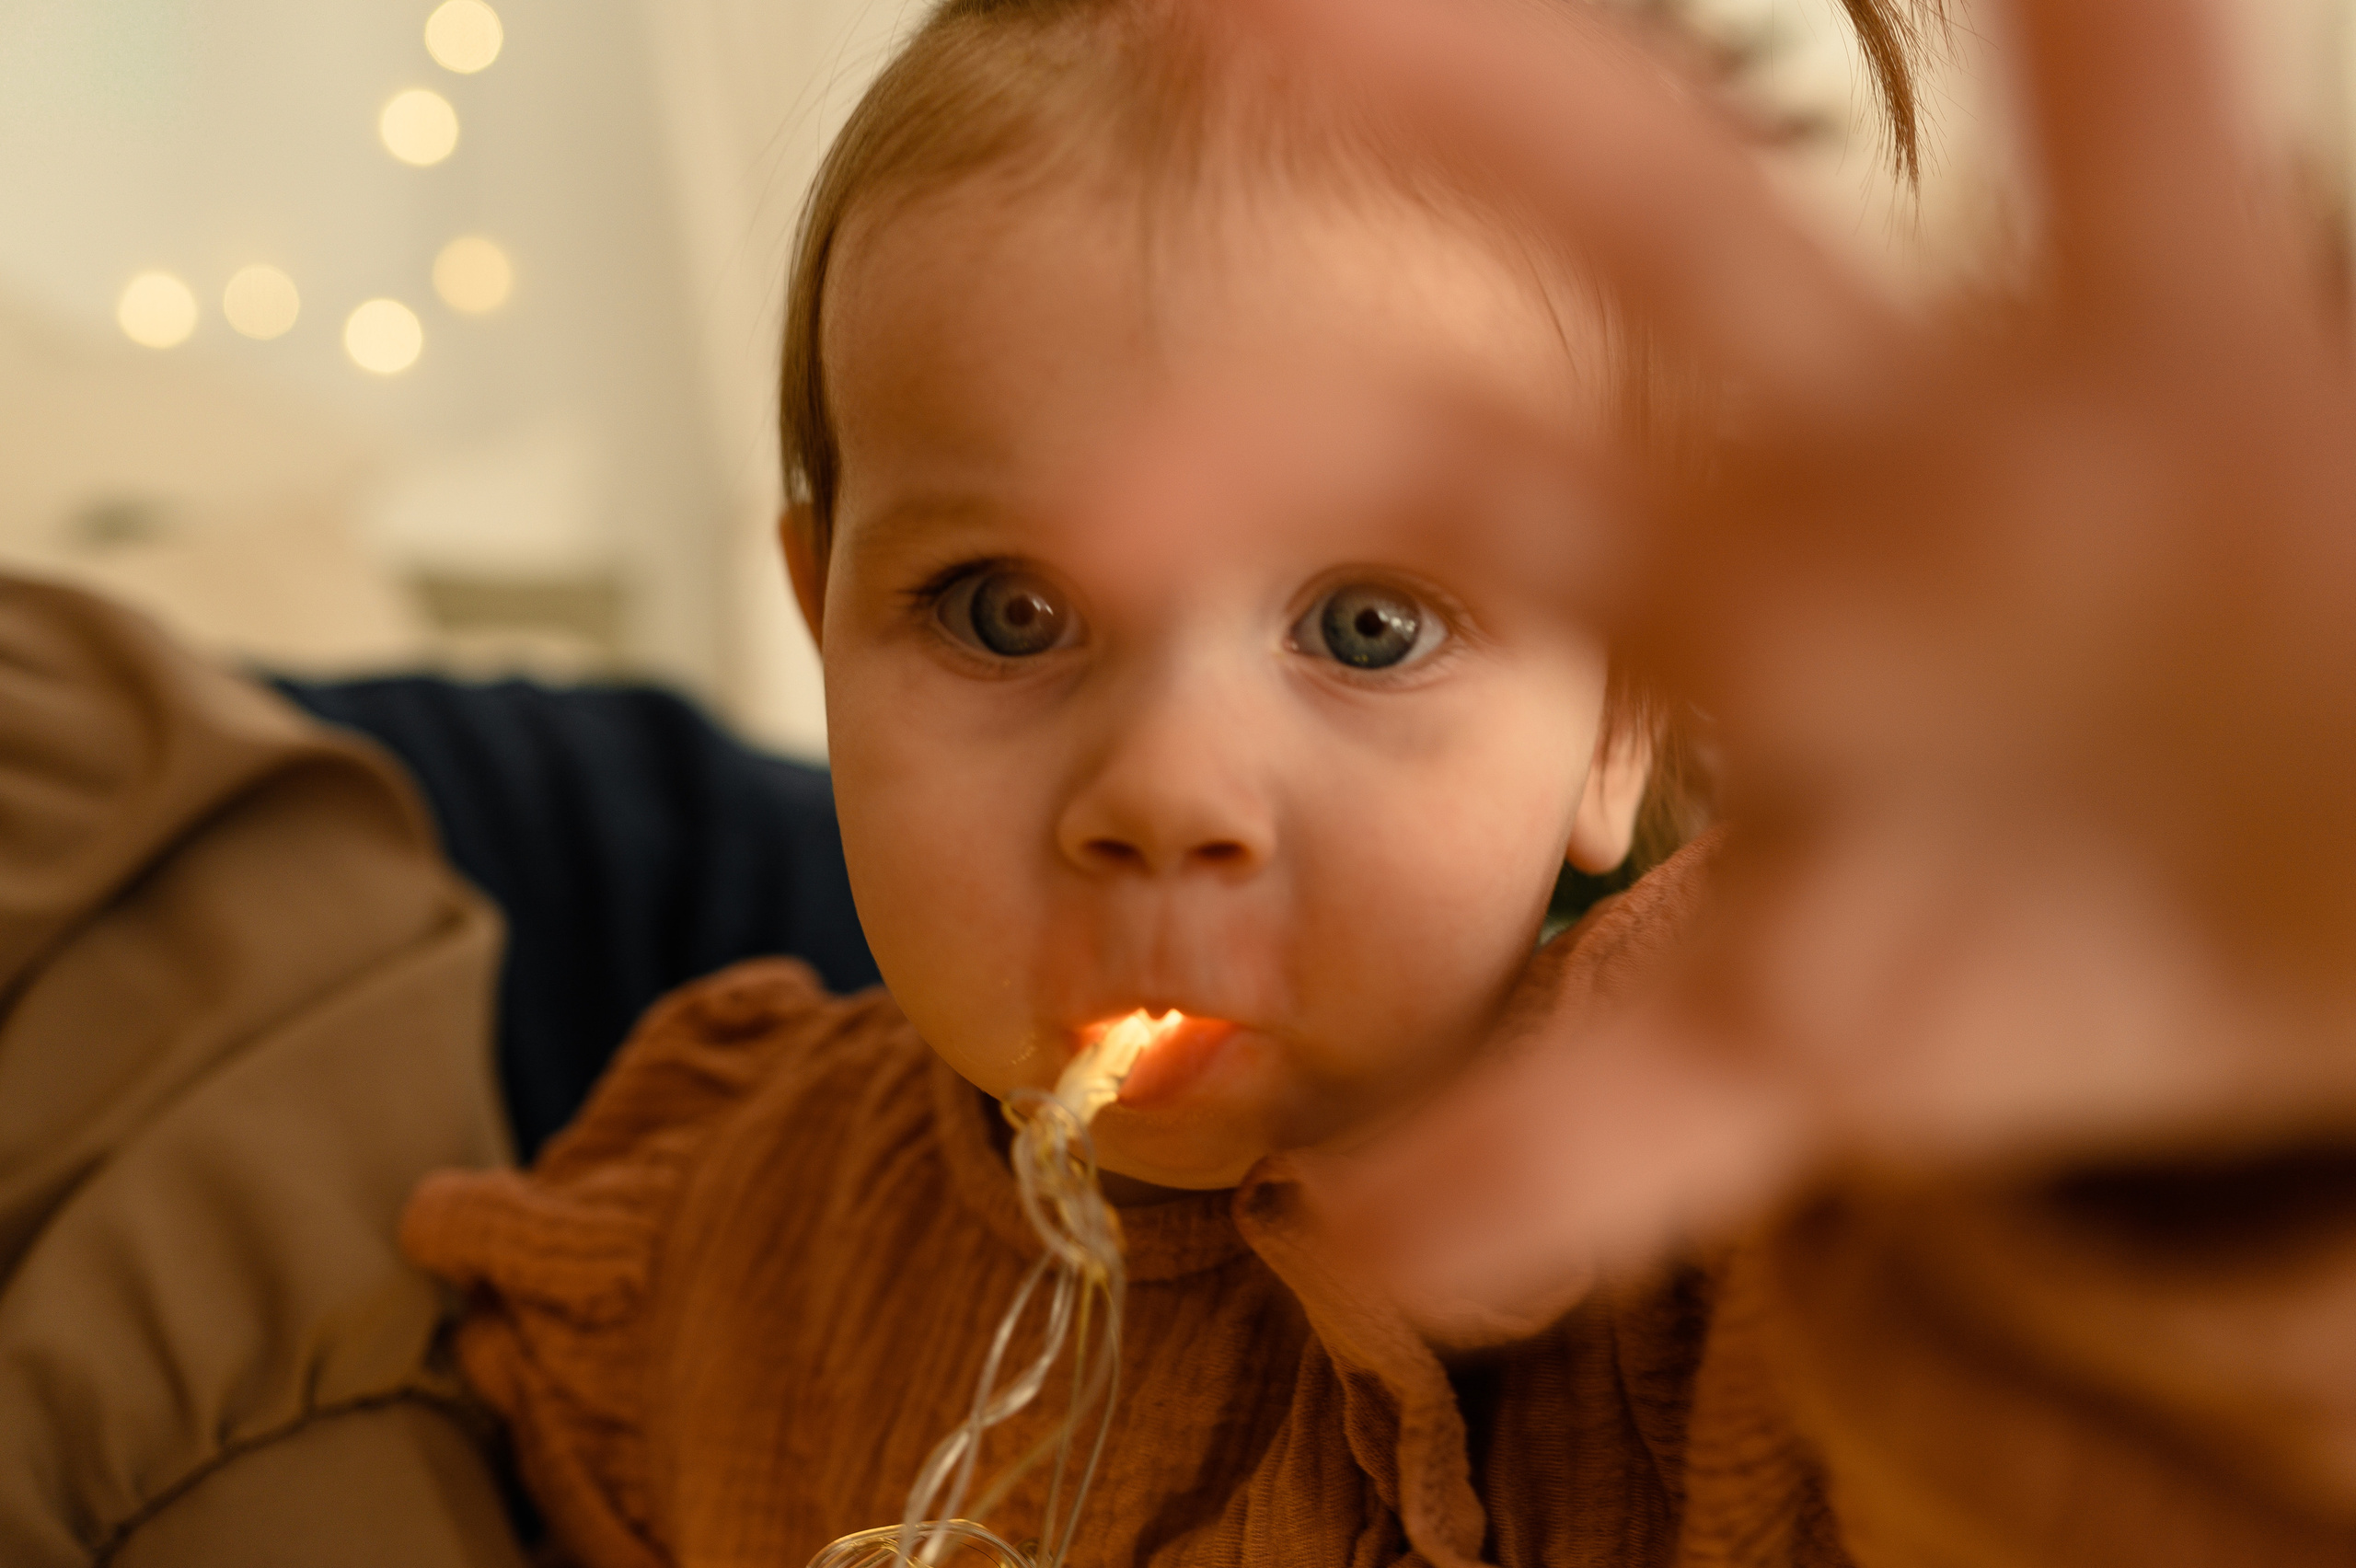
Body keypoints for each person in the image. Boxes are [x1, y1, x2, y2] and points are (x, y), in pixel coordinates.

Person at [402, 2, 2356, 1567]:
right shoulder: (724, 1249)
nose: (1166, 791)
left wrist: (2168, 1137)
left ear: (1621, 724)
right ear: (822, 621)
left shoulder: (1780, 1234)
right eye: (1004, 613)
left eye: (1366, 628)